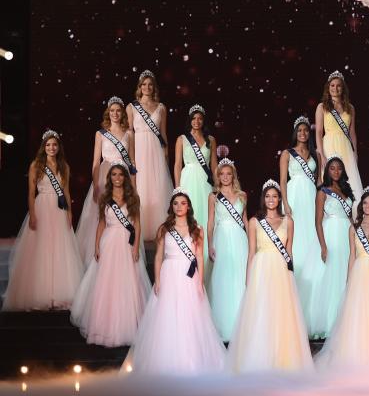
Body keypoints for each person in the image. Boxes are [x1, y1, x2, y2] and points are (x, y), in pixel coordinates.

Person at [124, 190, 225, 374]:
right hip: (169, 274)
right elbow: (158, 257)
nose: (179, 206)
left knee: (190, 316)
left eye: (183, 203)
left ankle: (191, 359)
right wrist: (158, 280)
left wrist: (200, 283)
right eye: (176, 203)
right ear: (171, 206)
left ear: (189, 206)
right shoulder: (164, 228)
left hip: (189, 276)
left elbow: (200, 258)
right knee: (168, 315)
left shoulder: (197, 229)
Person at [226, 180, 312, 372]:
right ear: (263, 199)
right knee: (261, 311)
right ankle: (259, 357)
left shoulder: (289, 221)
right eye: (268, 196)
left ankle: (283, 358)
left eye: (274, 196)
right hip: (261, 270)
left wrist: (290, 277)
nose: (271, 200)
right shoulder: (254, 222)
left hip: (281, 272)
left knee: (281, 312)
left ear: (280, 198)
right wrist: (248, 279)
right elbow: (251, 253)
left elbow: (289, 252)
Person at [70, 162, 151, 346]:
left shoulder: (133, 198)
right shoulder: (105, 198)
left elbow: (137, 224)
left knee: (128, 282)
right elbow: (101, 224)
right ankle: (104, 327)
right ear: (110, 178)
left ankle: (129, 325)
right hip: (109, 242)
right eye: (113, 174)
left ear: (125, 177)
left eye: (120, 174)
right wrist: (97, 246)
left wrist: (136, 246)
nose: (117, 178)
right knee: (107, 282)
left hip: (126, 243)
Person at [2, 130, 84, 311]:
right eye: (48, 145)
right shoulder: (36, 165)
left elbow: (67, 192)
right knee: (42, 250)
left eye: (54, 144)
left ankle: (59, 294)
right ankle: (42, 294)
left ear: (58, 147)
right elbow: (31, 193)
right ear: (43, 147)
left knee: (59, 250)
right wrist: (32, 214)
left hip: (59, 210)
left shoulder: (64, 166)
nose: (51, 148)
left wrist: (70, 213)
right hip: (42, 208)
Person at [315, 187, 369, 368]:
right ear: (361, 206)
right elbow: (351, 255)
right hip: (359, 272)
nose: (368, 206)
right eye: (365, 203)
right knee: (358, 312)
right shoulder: (354, 228)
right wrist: (348, 279)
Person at [77, 96, 136, 267]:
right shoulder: (100, 134)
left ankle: (120, 252)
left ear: (122, 113)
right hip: (105, 175)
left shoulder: (129, 134)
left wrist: (134, 184)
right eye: (112, 111)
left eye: (118, 110)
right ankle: (97, 252)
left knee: (123, 213)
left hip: (123, 176)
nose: (115, 113)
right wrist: (96, 185)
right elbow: (96, 162)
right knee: (102, 215)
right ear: (108, 113)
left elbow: (132, 162)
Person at [279, 115, 324, 331]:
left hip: (310, 199)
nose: (303, 134)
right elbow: (281, 181)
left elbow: (319, 182)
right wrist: (285, 204)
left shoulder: (315, 155)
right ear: (295, 132)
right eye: (300, 130)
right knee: (294, 243)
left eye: (306, 130)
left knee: (310, 242)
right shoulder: (287, 154)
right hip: (295, 199)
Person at [312, 156, 355, 338]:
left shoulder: (347, 190)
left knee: (347, 274)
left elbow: (352, 218)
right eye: (332, 168)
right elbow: (318, 222)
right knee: (332, 277)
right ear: (327, 171)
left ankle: (348, 320)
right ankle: (331, 322)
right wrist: (323, 246)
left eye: (339, 168)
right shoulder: (323, 191)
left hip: (347, 233)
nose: (336, 171)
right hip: (331, 234)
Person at [126, 70, 172, 235]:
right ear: (140, 87)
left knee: (157, 188)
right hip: (138, 149)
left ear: (154, 87)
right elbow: (129, 134)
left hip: (155, 151)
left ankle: (158, 230)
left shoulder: (161, 108)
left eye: (150, 84)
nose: (147, 87)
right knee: (141, 186)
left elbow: (163, 133)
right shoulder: (131, 107)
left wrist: (165, 155)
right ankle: (141, 229)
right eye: (144, 84)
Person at [207, 158, 248, 342]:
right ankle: (223, 326)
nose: (225, 177)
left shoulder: (242, 196)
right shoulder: (213, 196)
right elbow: (210, 222)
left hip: (240, 238)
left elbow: (246, 220)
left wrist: (251, 242)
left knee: (240, 278)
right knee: (222, 279)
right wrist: (209, 244)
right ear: (218, 176)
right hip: (221, 238)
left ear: (233, 176)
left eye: (228, 173)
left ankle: (242, 327)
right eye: (221, 174)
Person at [174, 104, 218, 268]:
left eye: (200, 118)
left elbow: (214, 166)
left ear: (203, 121)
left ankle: (206, 261)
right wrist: (177, 188)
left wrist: (217, 186)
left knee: (205, 216)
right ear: (190, 120)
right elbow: (177, 165)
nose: (197, 121)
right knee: (188, 217)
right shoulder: (182, 139)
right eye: (194, 118)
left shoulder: (211, 140)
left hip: (205, 183)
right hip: (188, 181)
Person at [315, 69, 362, 191]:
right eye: (332, 85)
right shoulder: (322, 107)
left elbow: (352, 133)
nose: (335, 88)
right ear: (328, 87)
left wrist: (355, 152)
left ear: (343, 88)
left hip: (345, 147)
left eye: (338, 86)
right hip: (329, 146)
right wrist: (322, 154)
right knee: (331, 182)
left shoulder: (350, 108)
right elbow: (319, 132)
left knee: (349, 182)